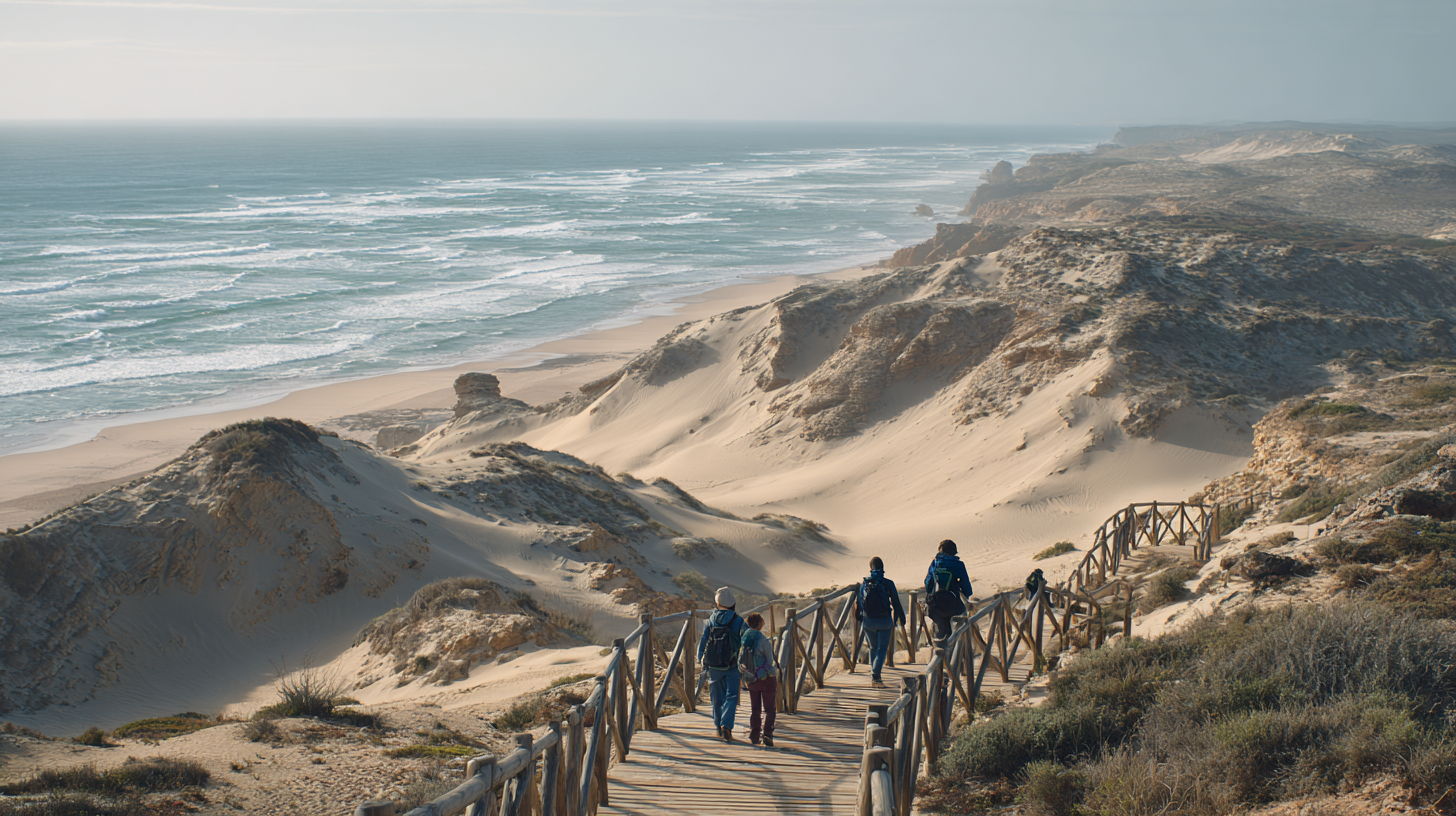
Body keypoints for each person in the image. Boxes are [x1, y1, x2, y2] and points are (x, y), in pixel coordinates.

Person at [698, 587, 748, 742]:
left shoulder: (711, 619)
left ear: (718, 602)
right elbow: (747, 640)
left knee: (716, 698)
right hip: (732, 664)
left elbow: (704, 640)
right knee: (732, 695)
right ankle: (726, 726)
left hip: (713, 665)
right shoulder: (738, 620)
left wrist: (700, 658)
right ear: (732, 603)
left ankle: (718, 726)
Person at [856, 557, 906, 688]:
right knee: (882, 648)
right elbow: (895, 602)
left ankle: (875, 675)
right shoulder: (888, 583)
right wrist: (901, 617)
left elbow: (859, 603)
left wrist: (861, 618)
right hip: (884, 621)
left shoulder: (865, 584)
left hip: (868, 621)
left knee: (874, 648)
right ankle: (876, 676)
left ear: (870, 568)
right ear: (883, 568)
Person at [924, 539, 973, 649]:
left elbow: (928, 582)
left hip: (936, 606)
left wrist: (931, 595)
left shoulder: (935, 563)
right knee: (959, 631)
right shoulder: (958, 564)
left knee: (941, 632)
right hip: (954, 605)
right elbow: (966, 586)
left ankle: (941, 658)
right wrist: (966, 596)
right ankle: (957, 656)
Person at [739, 612, 778, 747]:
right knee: (770, 709)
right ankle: (767, 733)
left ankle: (755, 734)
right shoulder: (763, 640)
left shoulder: (744, 640)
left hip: (751, 679)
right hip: (765, 679)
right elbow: (770, 661)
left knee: (755, 708)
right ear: (761, 624)